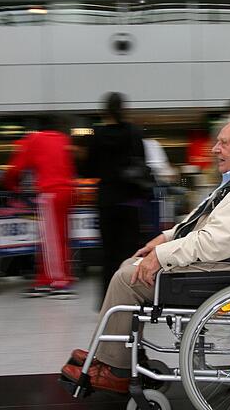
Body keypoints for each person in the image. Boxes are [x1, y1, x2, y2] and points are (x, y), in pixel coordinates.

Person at [61, 116, 230, 394]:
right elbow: (200, 222)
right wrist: (164, 239)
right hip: (219, 263)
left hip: (222, 268)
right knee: (131, 264)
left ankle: (114, 368)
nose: (215, 149)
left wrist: (163, 256)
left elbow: (217, 241)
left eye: (224, 143)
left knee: (127, 277)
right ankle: (120, 355)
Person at [83, 92, 152, 303]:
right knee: (131, 253)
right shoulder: (134, 133)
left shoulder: (97, 135)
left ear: (104, 111)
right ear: (124, 108)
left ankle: (108, 300)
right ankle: (131, 298)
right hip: (130, 201)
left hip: (107, 201)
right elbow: (143, 162)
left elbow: (89, 168)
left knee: (108, 254)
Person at [4, 115, 76, 298]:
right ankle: (44, 279)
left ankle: (59, 282)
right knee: (55, 238)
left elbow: (15, 168)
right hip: (67, 190)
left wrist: (11, 185)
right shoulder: (63, 139)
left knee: (52, 239)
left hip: (50, 192)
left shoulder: (34, 139)